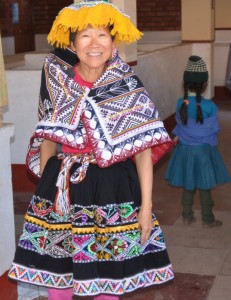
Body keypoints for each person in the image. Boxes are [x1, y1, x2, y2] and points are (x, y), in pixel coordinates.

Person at [8, 1, 174, 299]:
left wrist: (146, 208)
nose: (94, 44)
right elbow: (47, 138)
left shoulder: (126, 85)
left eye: (102, 36)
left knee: (107, 279)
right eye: (85, 36)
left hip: (113, 189)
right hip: (63, 189)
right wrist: (47, 188)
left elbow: (143, 152)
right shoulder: (58, 82)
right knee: (58, 276)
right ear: (73, 43)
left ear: (113, 44)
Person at [165, 55, 230, 228]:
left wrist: (180, 136)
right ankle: (208, 219)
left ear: (185, 84)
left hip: (185, 151)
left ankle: (187, 216)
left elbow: (179, 125)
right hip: (204, 152)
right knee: (205, 185)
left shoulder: (181, 103)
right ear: (205, 84)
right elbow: (214, 129)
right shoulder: (210, 106)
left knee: (188, 184)